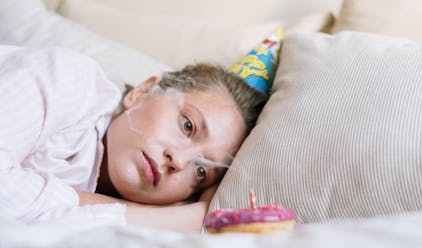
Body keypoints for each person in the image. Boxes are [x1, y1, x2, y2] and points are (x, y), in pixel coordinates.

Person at [0, 29, 281, 232]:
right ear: (143, 92)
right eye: (187, 126)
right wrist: (146, 214)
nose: (179, 161)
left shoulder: (142, 236)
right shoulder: (66, 79)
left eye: (201, 171)